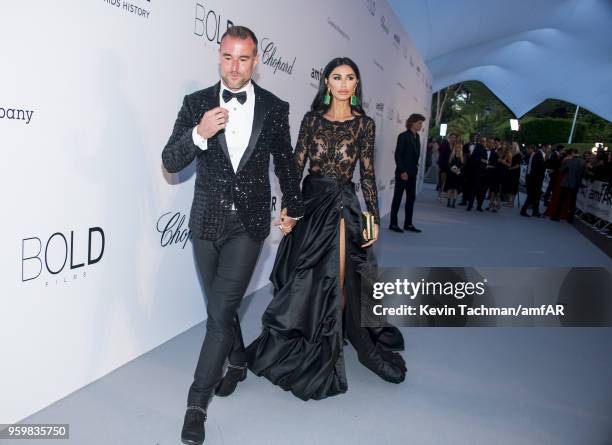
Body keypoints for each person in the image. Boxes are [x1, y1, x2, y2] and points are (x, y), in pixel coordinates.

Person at [161, 26, 304, 445]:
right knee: (222, 311)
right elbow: (170, 159)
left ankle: (195, 403)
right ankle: (237, 361)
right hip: (205, 222)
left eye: (243, 58)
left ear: (256, 61)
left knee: (218, 315)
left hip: (249, 224)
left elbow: (287, 164)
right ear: (218, 56)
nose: (234, 67)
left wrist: (291, 206)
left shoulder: (275, 108)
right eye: (227, 57)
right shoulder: (196, 104)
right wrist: (198, 133)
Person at [246, 57, 406, 401]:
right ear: (327, 84)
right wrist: (290, 209)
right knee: (308, 278)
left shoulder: (365, 124)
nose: (345, 83)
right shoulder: (312, 120)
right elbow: (296, 165)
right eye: (338, 77)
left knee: (348, 276)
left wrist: (372, 218)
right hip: (312, 203)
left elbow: (366, 176)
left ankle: (361, 347)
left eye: (351, 77)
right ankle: (313, 339)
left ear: (356, 84)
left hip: (344, 206)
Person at [389, 113, 426, 232]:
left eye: (421, 123)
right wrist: (402, 171)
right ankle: (393, 224)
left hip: (412, 173)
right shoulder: (403, 136)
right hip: (402, 173)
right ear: (412, 122)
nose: (421, 125)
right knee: (398, 198)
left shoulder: (417, 137)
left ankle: (408, 224)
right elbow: (398, 155)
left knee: (411, 198)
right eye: (419, 123)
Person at [552, 149, 586, 223]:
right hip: (575, 184)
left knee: (561, 201)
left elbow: (561, 170)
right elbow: (584, 173)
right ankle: (570, 219)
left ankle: (556, 217)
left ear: (573, 154)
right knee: (572, 202)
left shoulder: (568, 161)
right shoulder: (583, 162)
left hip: (566, 183)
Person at [462, 133, 487, 211]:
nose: (474, 138)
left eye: (476, 137)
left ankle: (474, 205)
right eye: (473, 137)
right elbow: (465, 157)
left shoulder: (482, 148)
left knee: (477, 189)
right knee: (469, 187)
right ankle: (467, 202)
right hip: (471, 171)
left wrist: (482, 163)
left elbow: (485, 159)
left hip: (480, 172)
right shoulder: (470, 147)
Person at [520, 144, 546, 217]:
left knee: (534, 195)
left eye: (527, 150)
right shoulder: (531, 155)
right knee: (533, 195)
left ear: (531, 149)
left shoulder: (537, 155)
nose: (527, 151)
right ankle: (531, 211)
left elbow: (540, 167)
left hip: (535, 179)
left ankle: (531, 211)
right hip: (531, 178)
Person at [444, 141, 464, 207]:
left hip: (458, 174)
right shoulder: (452, 155)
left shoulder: (462, 156)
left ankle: (453, 203)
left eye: (459, 147)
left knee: (456, 189)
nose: (458, 148)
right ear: (455, 148)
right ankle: (448, 202)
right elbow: (449, 164)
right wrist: (451, 169)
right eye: (457, 147)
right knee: (450, 188)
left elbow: (463, 165)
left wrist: (459, 169)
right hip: (451, 174)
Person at [436, 133, 455, 199]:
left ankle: (447, 193)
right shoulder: (445, 144)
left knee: (449, 179)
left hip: (451, 165)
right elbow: (439, 150)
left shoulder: (455, 146)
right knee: (442, 179)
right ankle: (439, 193)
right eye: (452, 137)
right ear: (449, 138)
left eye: (454, 138)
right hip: (443, 164)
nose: (453, 139)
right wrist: (439, 162)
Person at [504, 142, 522, 207]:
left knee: (513, 188)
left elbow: (517, 165)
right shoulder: (511, 154)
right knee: (509, 187)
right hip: (510, 173)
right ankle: (509, 202)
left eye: (512, 146)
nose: (511, 147)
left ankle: (512, 203)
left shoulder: (518, 155)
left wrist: (510, 168)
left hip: (515, 173)